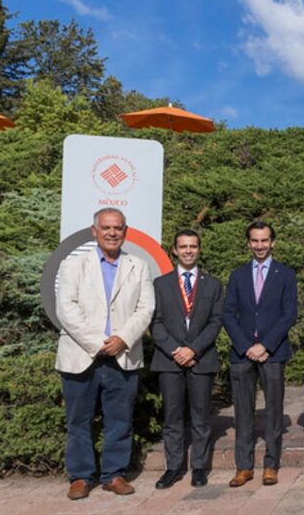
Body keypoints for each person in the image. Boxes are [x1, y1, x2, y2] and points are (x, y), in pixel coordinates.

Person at [55, 208, 155, 499]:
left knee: (120, 420)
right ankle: (81, 477)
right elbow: (66, 309)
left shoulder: (139, 266)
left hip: (122, 356)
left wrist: (122, 339)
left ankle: (114, 474)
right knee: (78, 421)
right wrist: (98, 341)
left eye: (118, 228)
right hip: (81, 355)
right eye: (106, 228)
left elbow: (145, 309)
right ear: (94, 231)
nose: (112, 233)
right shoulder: (73, 265)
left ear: (126, 231)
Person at [222, 221, 297, 487]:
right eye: (255, 241)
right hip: (243, 354)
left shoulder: (285, 274)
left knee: (273, 411)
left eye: (264, 240)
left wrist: (265, 345)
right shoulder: (238, 275)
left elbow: (289, 314)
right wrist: (246, 346)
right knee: (243, 411)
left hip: (273, 353)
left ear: (273, 242)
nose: (260, 246)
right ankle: (243, 466)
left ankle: (271, 465)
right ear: (248, 243)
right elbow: (228, 315)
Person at [150, 229, 223, 489]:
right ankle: (173, 467)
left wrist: (192, 349)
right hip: (169, 360)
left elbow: (216, 322)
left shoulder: (213, 284)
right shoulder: (161, 284)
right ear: (174, 250)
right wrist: (176, 350)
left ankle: (200, 467)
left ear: (199, 249)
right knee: (172, 416)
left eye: (193, 246)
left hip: (200, 359)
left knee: (201, 416)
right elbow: (155, 323)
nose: (188, 251)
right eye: (183, 247)